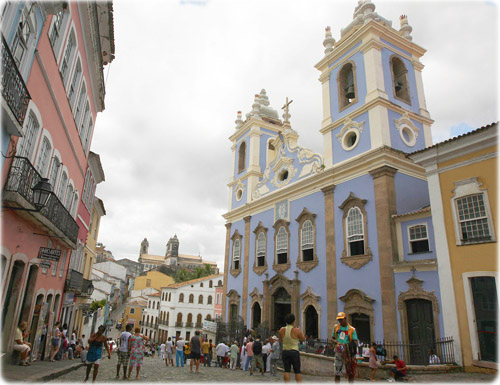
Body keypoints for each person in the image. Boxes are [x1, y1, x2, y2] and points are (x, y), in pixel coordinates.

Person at [331, 311, 358, 383]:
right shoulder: (336, 327)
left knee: (350, 372)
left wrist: (347, 345)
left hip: (348, 353)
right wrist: (335, 341)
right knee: (337, 372)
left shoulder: (352, 329)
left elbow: (355, 341)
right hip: (339, 351)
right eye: (339, 320)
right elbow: (332, 338)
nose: (340, 321)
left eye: (341, 319)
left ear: (345, 319)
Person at [279, 314, 306, 383]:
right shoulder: (296, 330)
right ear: (293, 321)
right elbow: (303, 339)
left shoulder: (282, 330)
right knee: (297, 371)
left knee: (286, 370)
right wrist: (299, 331)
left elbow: (280, 340)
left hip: (285, 351)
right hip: (294, 351)